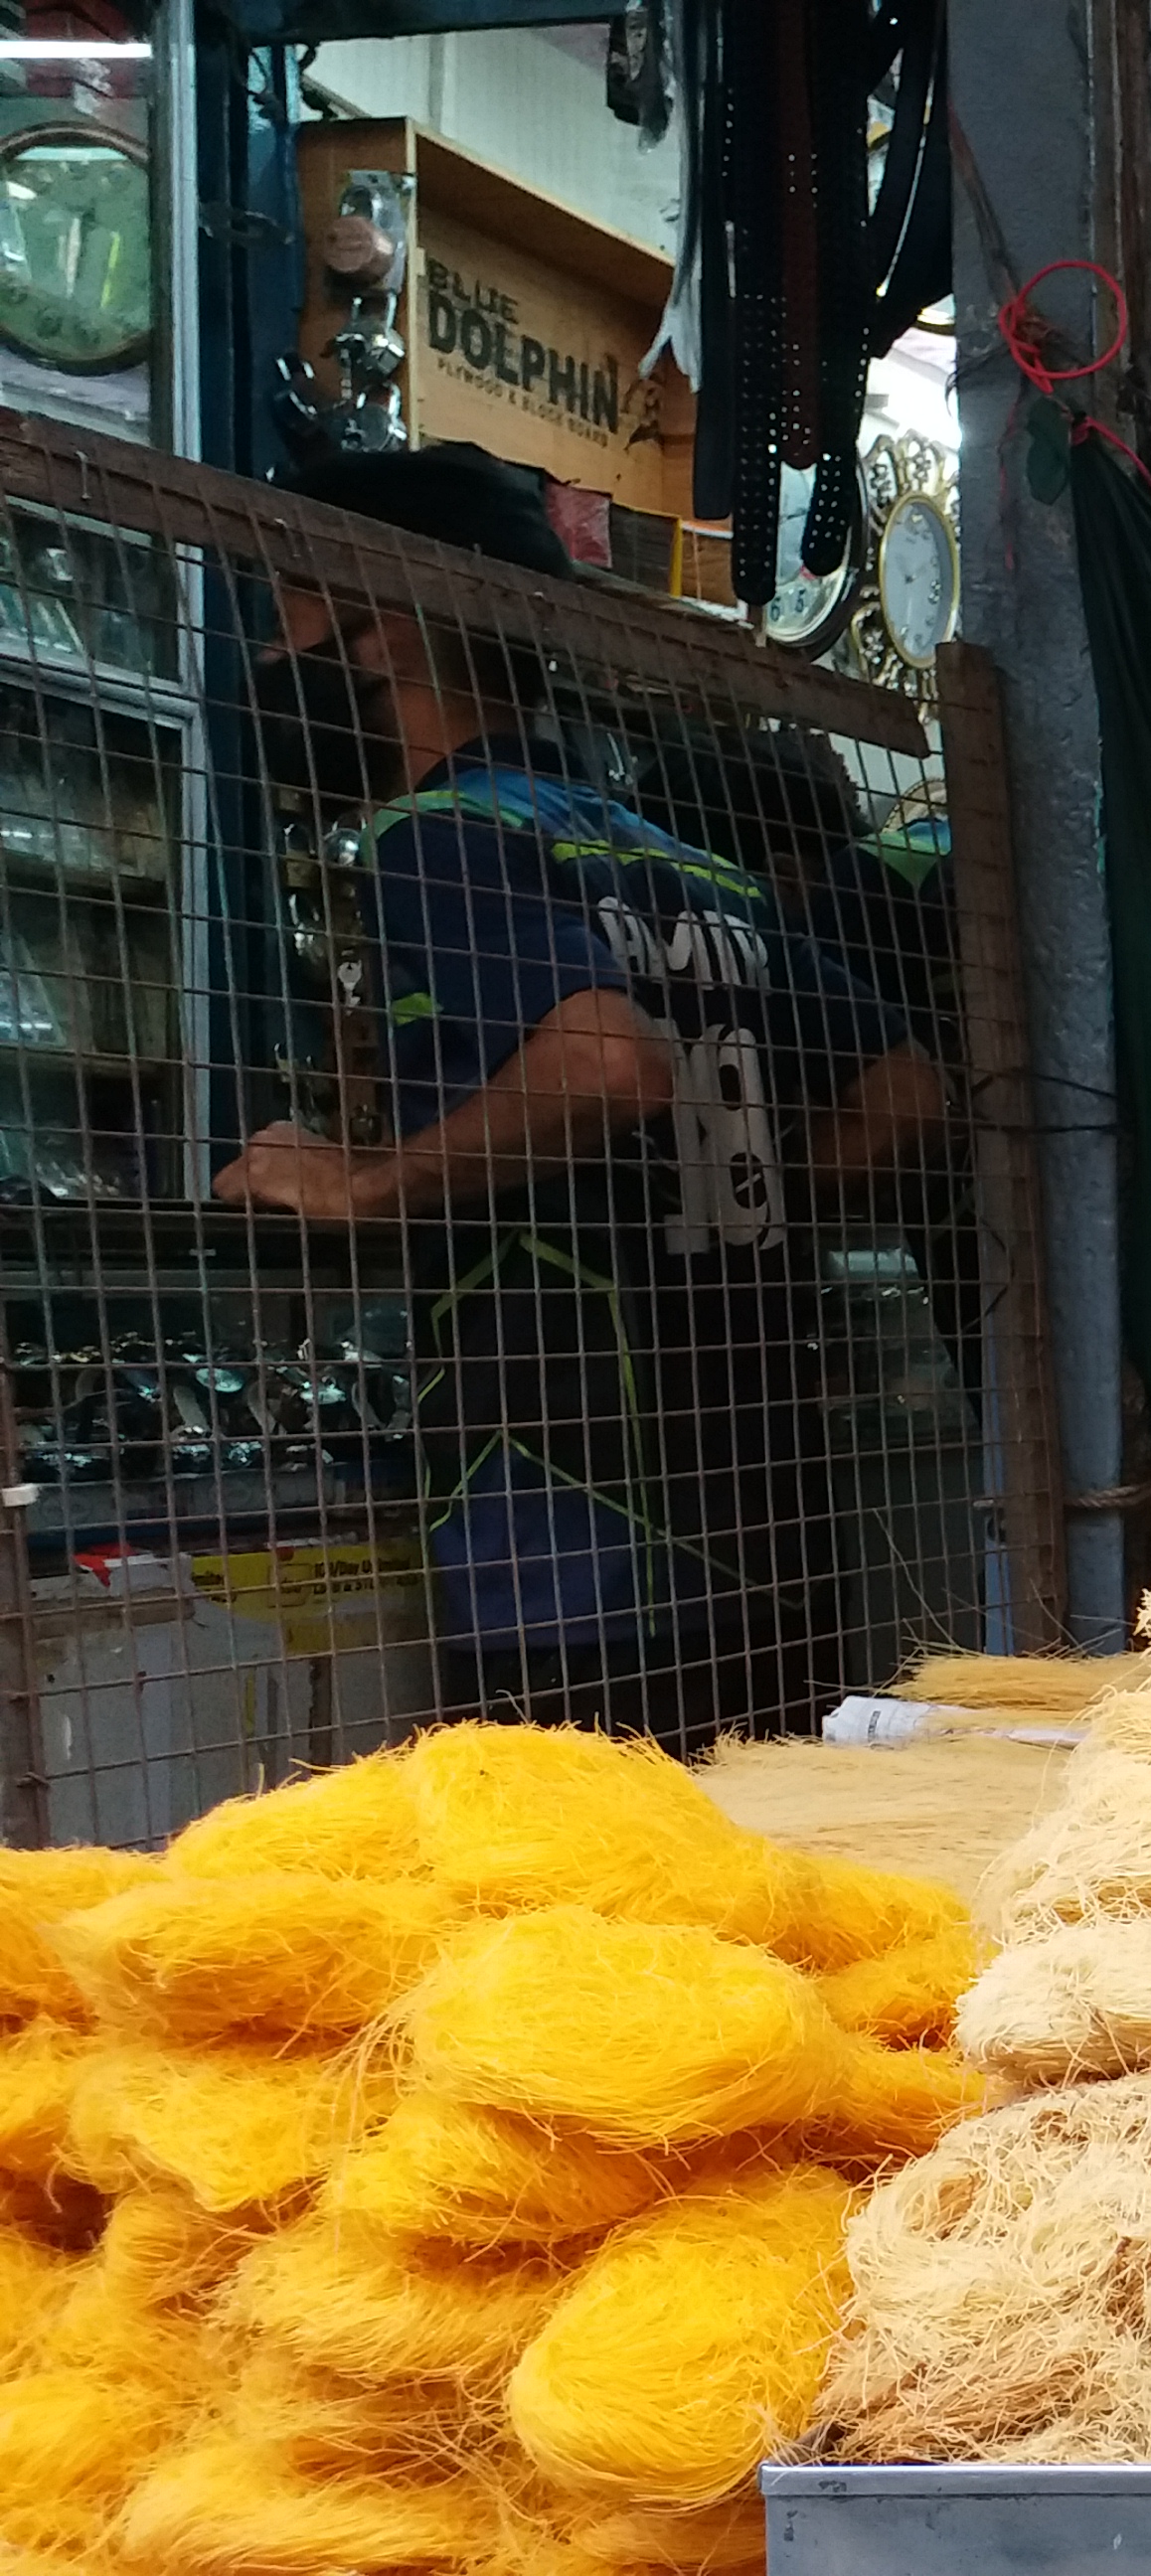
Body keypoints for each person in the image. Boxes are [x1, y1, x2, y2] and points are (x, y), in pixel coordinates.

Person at [210, 443, 948, 1748]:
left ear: (379, 631)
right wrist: (729, 1189)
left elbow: (605, 1063)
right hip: (762, 1519)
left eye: (290, 612)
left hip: (570, 1545)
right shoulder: (687, 865)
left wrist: (369, 1180)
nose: (272, 658)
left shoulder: (439, 834)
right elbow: (906, 1093)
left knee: (591, 1922)